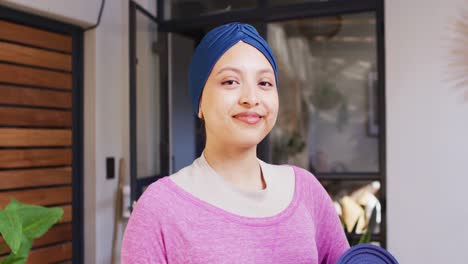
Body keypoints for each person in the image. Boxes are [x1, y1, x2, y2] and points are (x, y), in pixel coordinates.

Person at [121, 22, 349, 264]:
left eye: (264, 83)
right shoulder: (159, 208)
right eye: (230, 81)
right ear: (199, 101)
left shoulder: (306, 190)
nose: (251, 98)